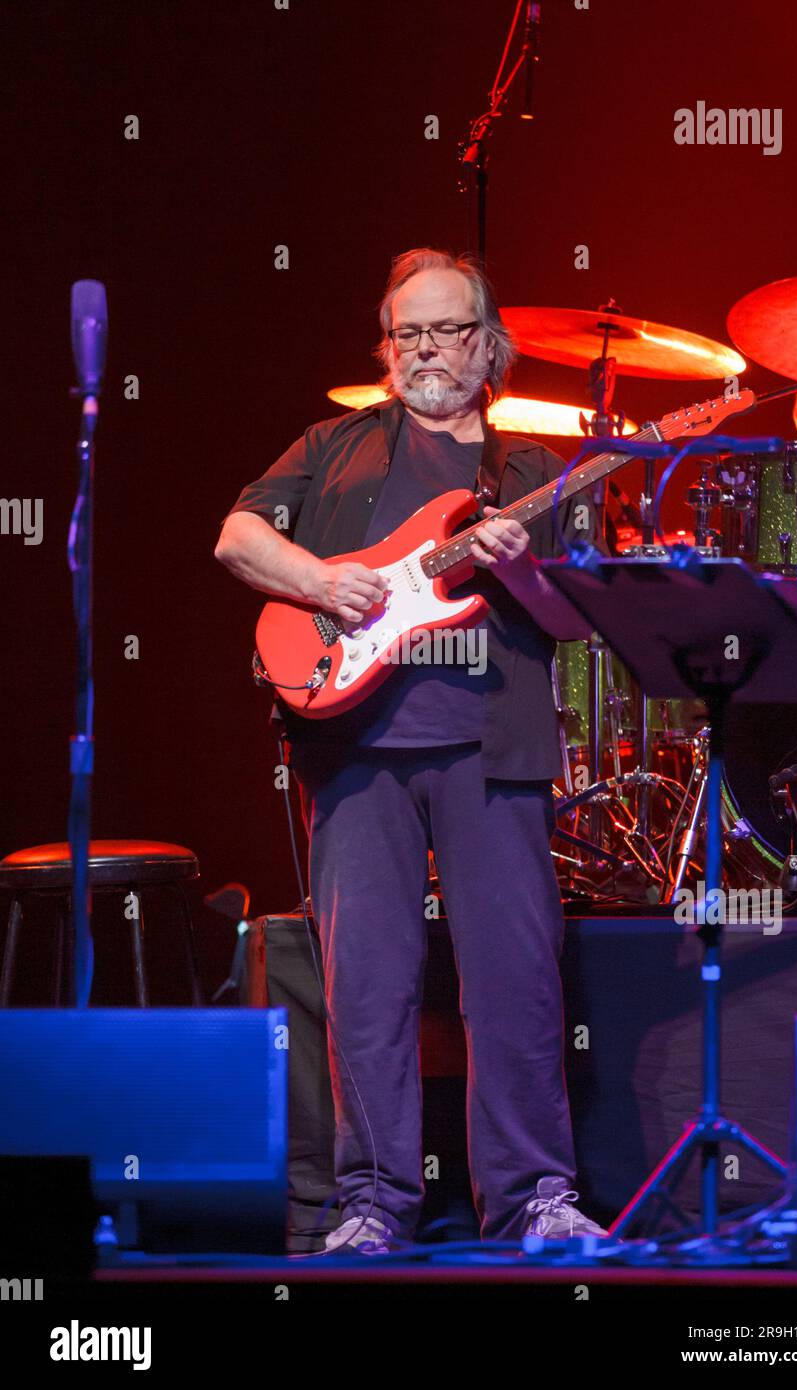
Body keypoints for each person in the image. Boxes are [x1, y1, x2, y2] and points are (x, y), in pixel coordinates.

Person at [215, 247, 607, 1251]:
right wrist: (315, 581)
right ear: (389, 344)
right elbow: (236, 539)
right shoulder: (335, 443)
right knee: (367, 984)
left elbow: (574, 620)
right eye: (407, 331)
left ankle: (532, 1198)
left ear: (488, 345)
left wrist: (529, 573)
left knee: (515, 978)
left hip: (491, 747)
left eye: (446, 329)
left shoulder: (529, 471)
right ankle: (372, 1201)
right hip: (354, 745)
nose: (425, 348)